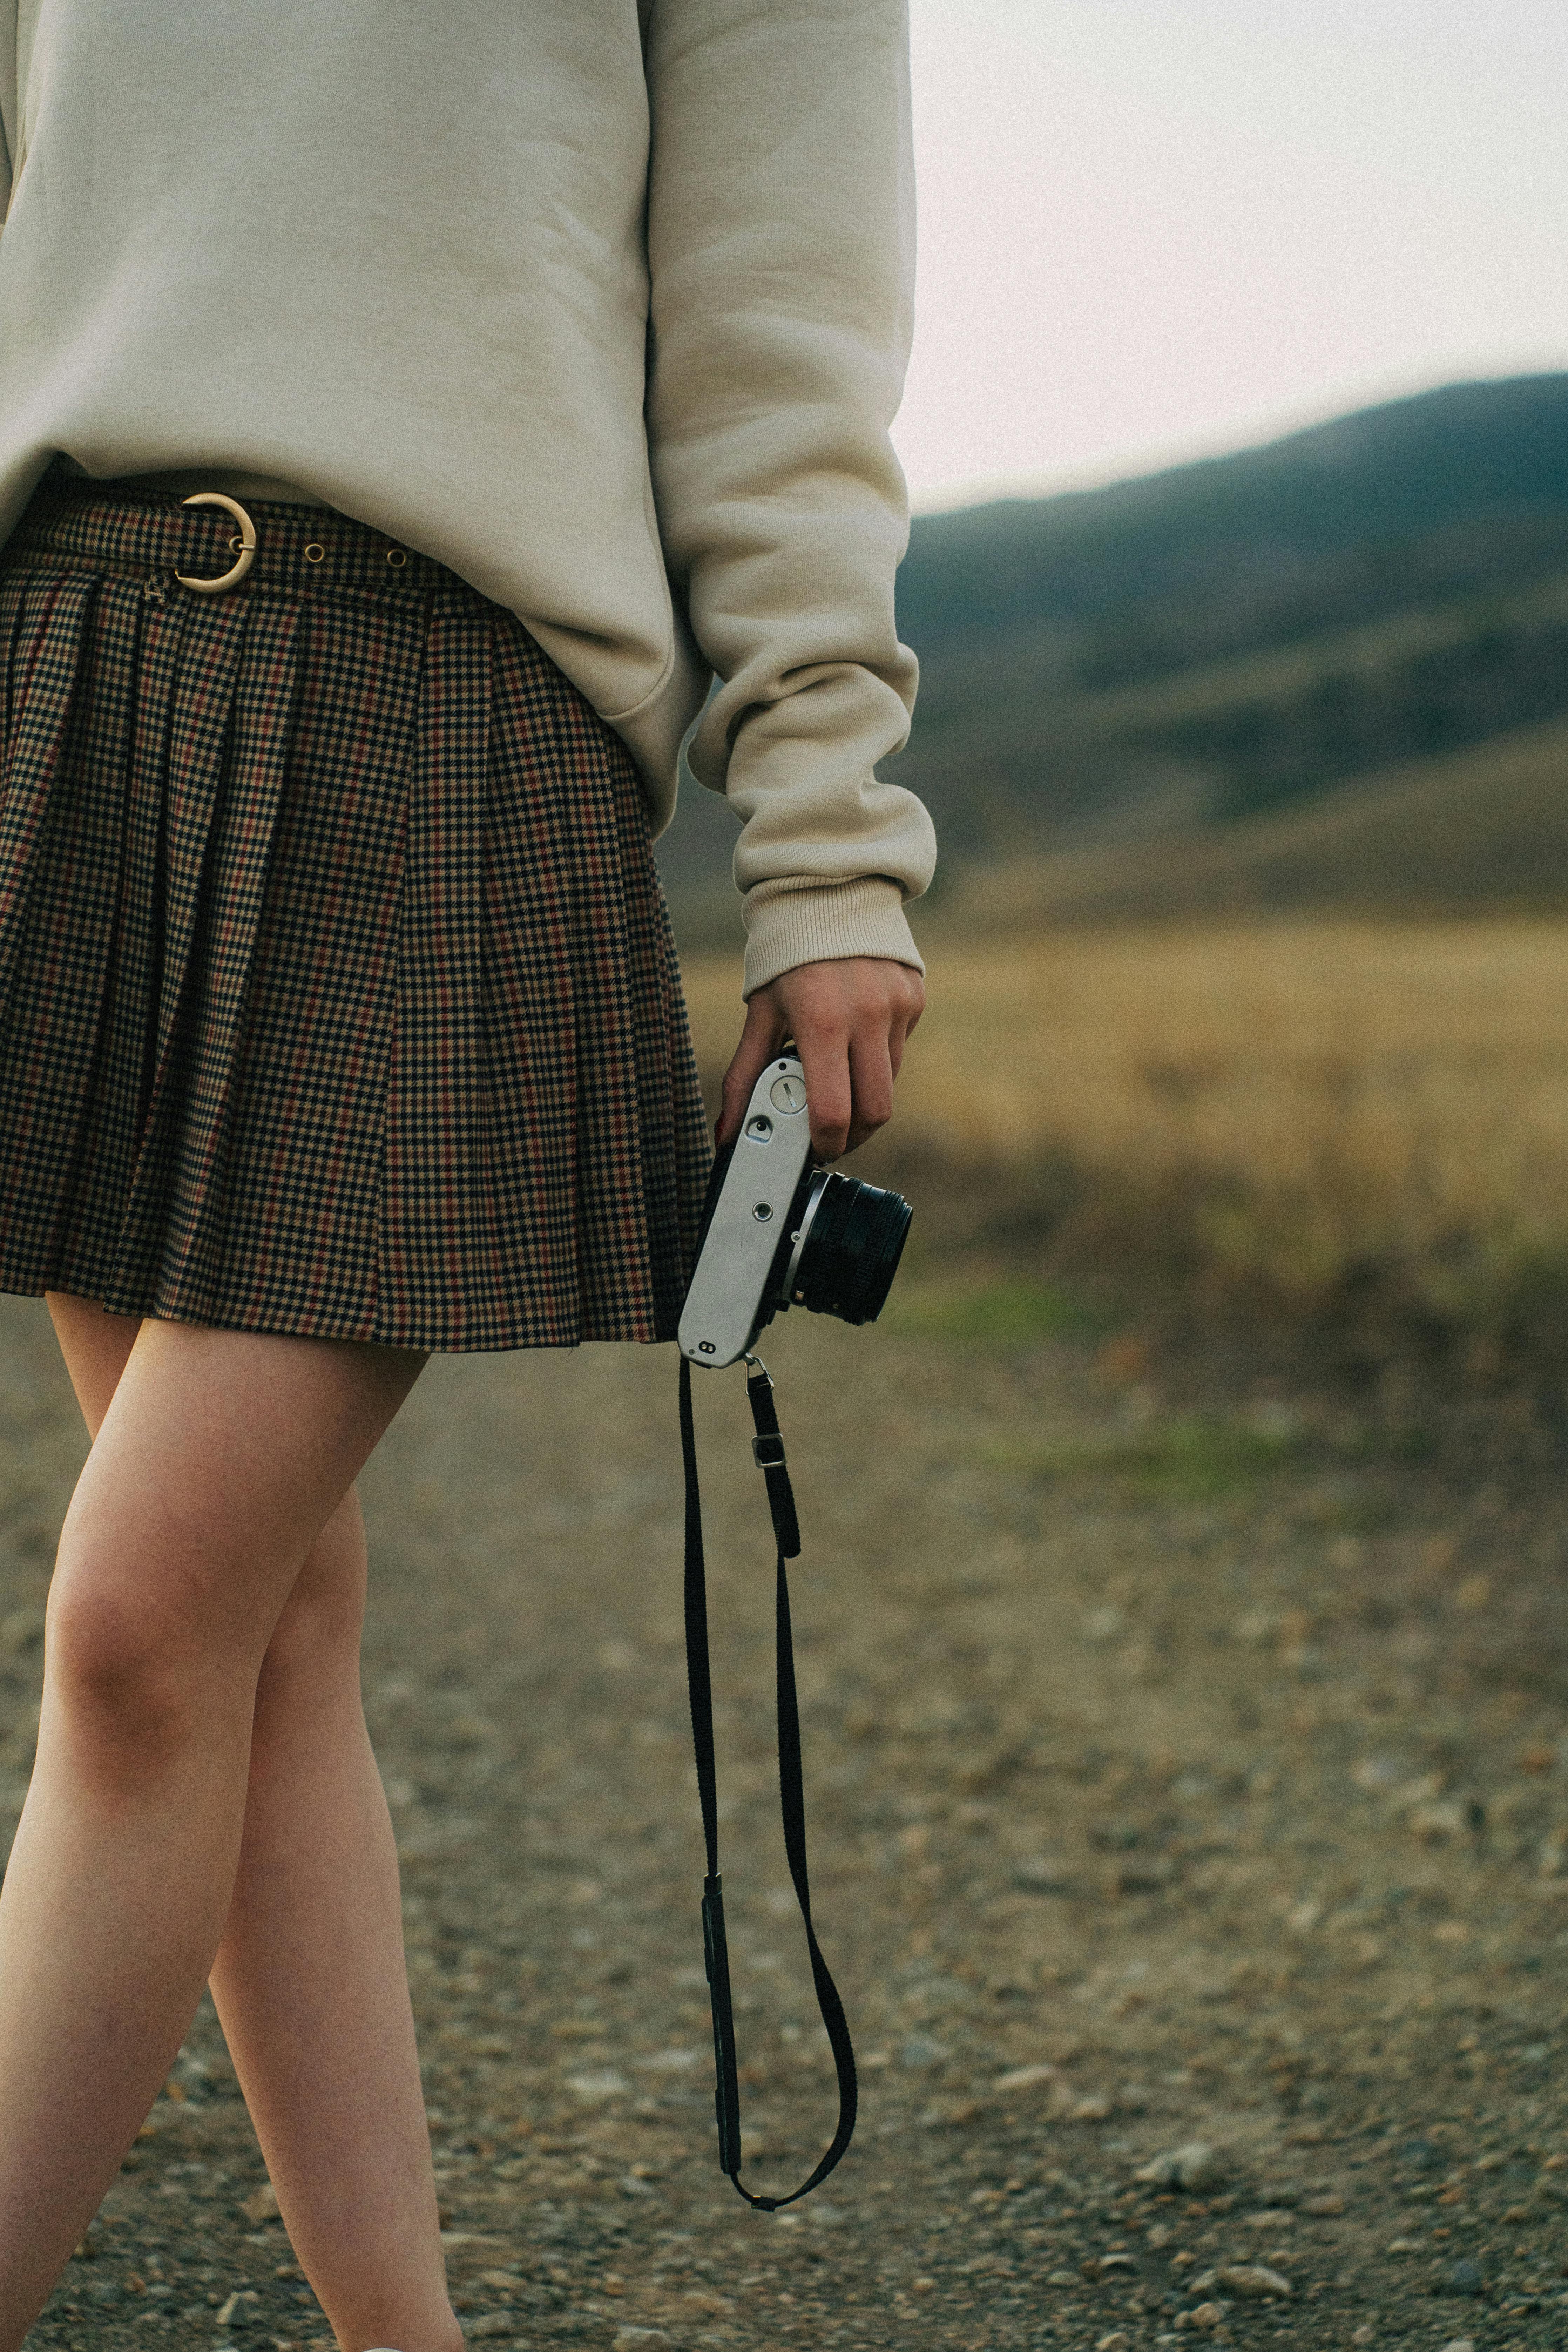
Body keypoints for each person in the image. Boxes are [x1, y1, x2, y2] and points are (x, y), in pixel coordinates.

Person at [0, 3, 934, 2346]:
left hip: (442, 712)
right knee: (258, 1633)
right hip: (69, 675)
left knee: (136, 1635)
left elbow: (778, 333)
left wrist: (826, 847)